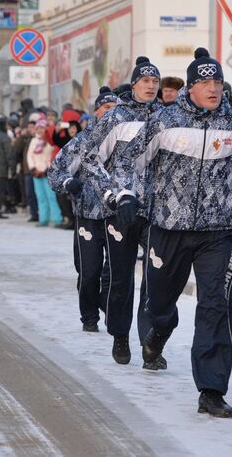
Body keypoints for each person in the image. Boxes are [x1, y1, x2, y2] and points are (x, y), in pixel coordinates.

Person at [114, 48, 232, 418]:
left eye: (218, 81)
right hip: (169, 228)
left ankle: (212, 389)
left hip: (219, 231)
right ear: (191, 87)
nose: (213, 88)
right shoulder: (164, 122)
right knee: (160, 303)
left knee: (216, 304)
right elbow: (126, 160)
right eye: (205, 82)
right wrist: (123, 195)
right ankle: (157, 334)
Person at [83, 56, 162, 367]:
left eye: (155, 82)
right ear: (134, 85)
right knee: (121, 278)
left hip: (157, 211)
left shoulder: (167, 116)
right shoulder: (116, 118)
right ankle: (120, 335)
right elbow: (91, 160)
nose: (152, 86)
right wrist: (111, 196)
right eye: (146, 81)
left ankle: (151, 342)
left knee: (157, 278)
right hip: (121, 211)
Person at [48, 87, 118, 332]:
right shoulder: (82, 142)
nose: (112, 113)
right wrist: (68, 183)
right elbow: (56, 171)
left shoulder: (128, 142)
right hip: (87, 215)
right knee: (89, 272)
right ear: (96, 111)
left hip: (117, 216)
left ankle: (111, 310)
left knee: (115, 273)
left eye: (116, 109)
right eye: (107, 108)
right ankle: (89, 317)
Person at [27, 118, 62, 227]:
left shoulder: (50, 141)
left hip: (48, 172)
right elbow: (29, 156)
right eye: (38, 128)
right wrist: (33, 168)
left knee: (51, 196)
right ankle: (43, 218)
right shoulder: (34, 141)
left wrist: (47, 168)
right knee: (41, 197)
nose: (40, 130)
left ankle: (57, 218)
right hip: (36, 173)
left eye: (42, 128)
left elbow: (53, 156)